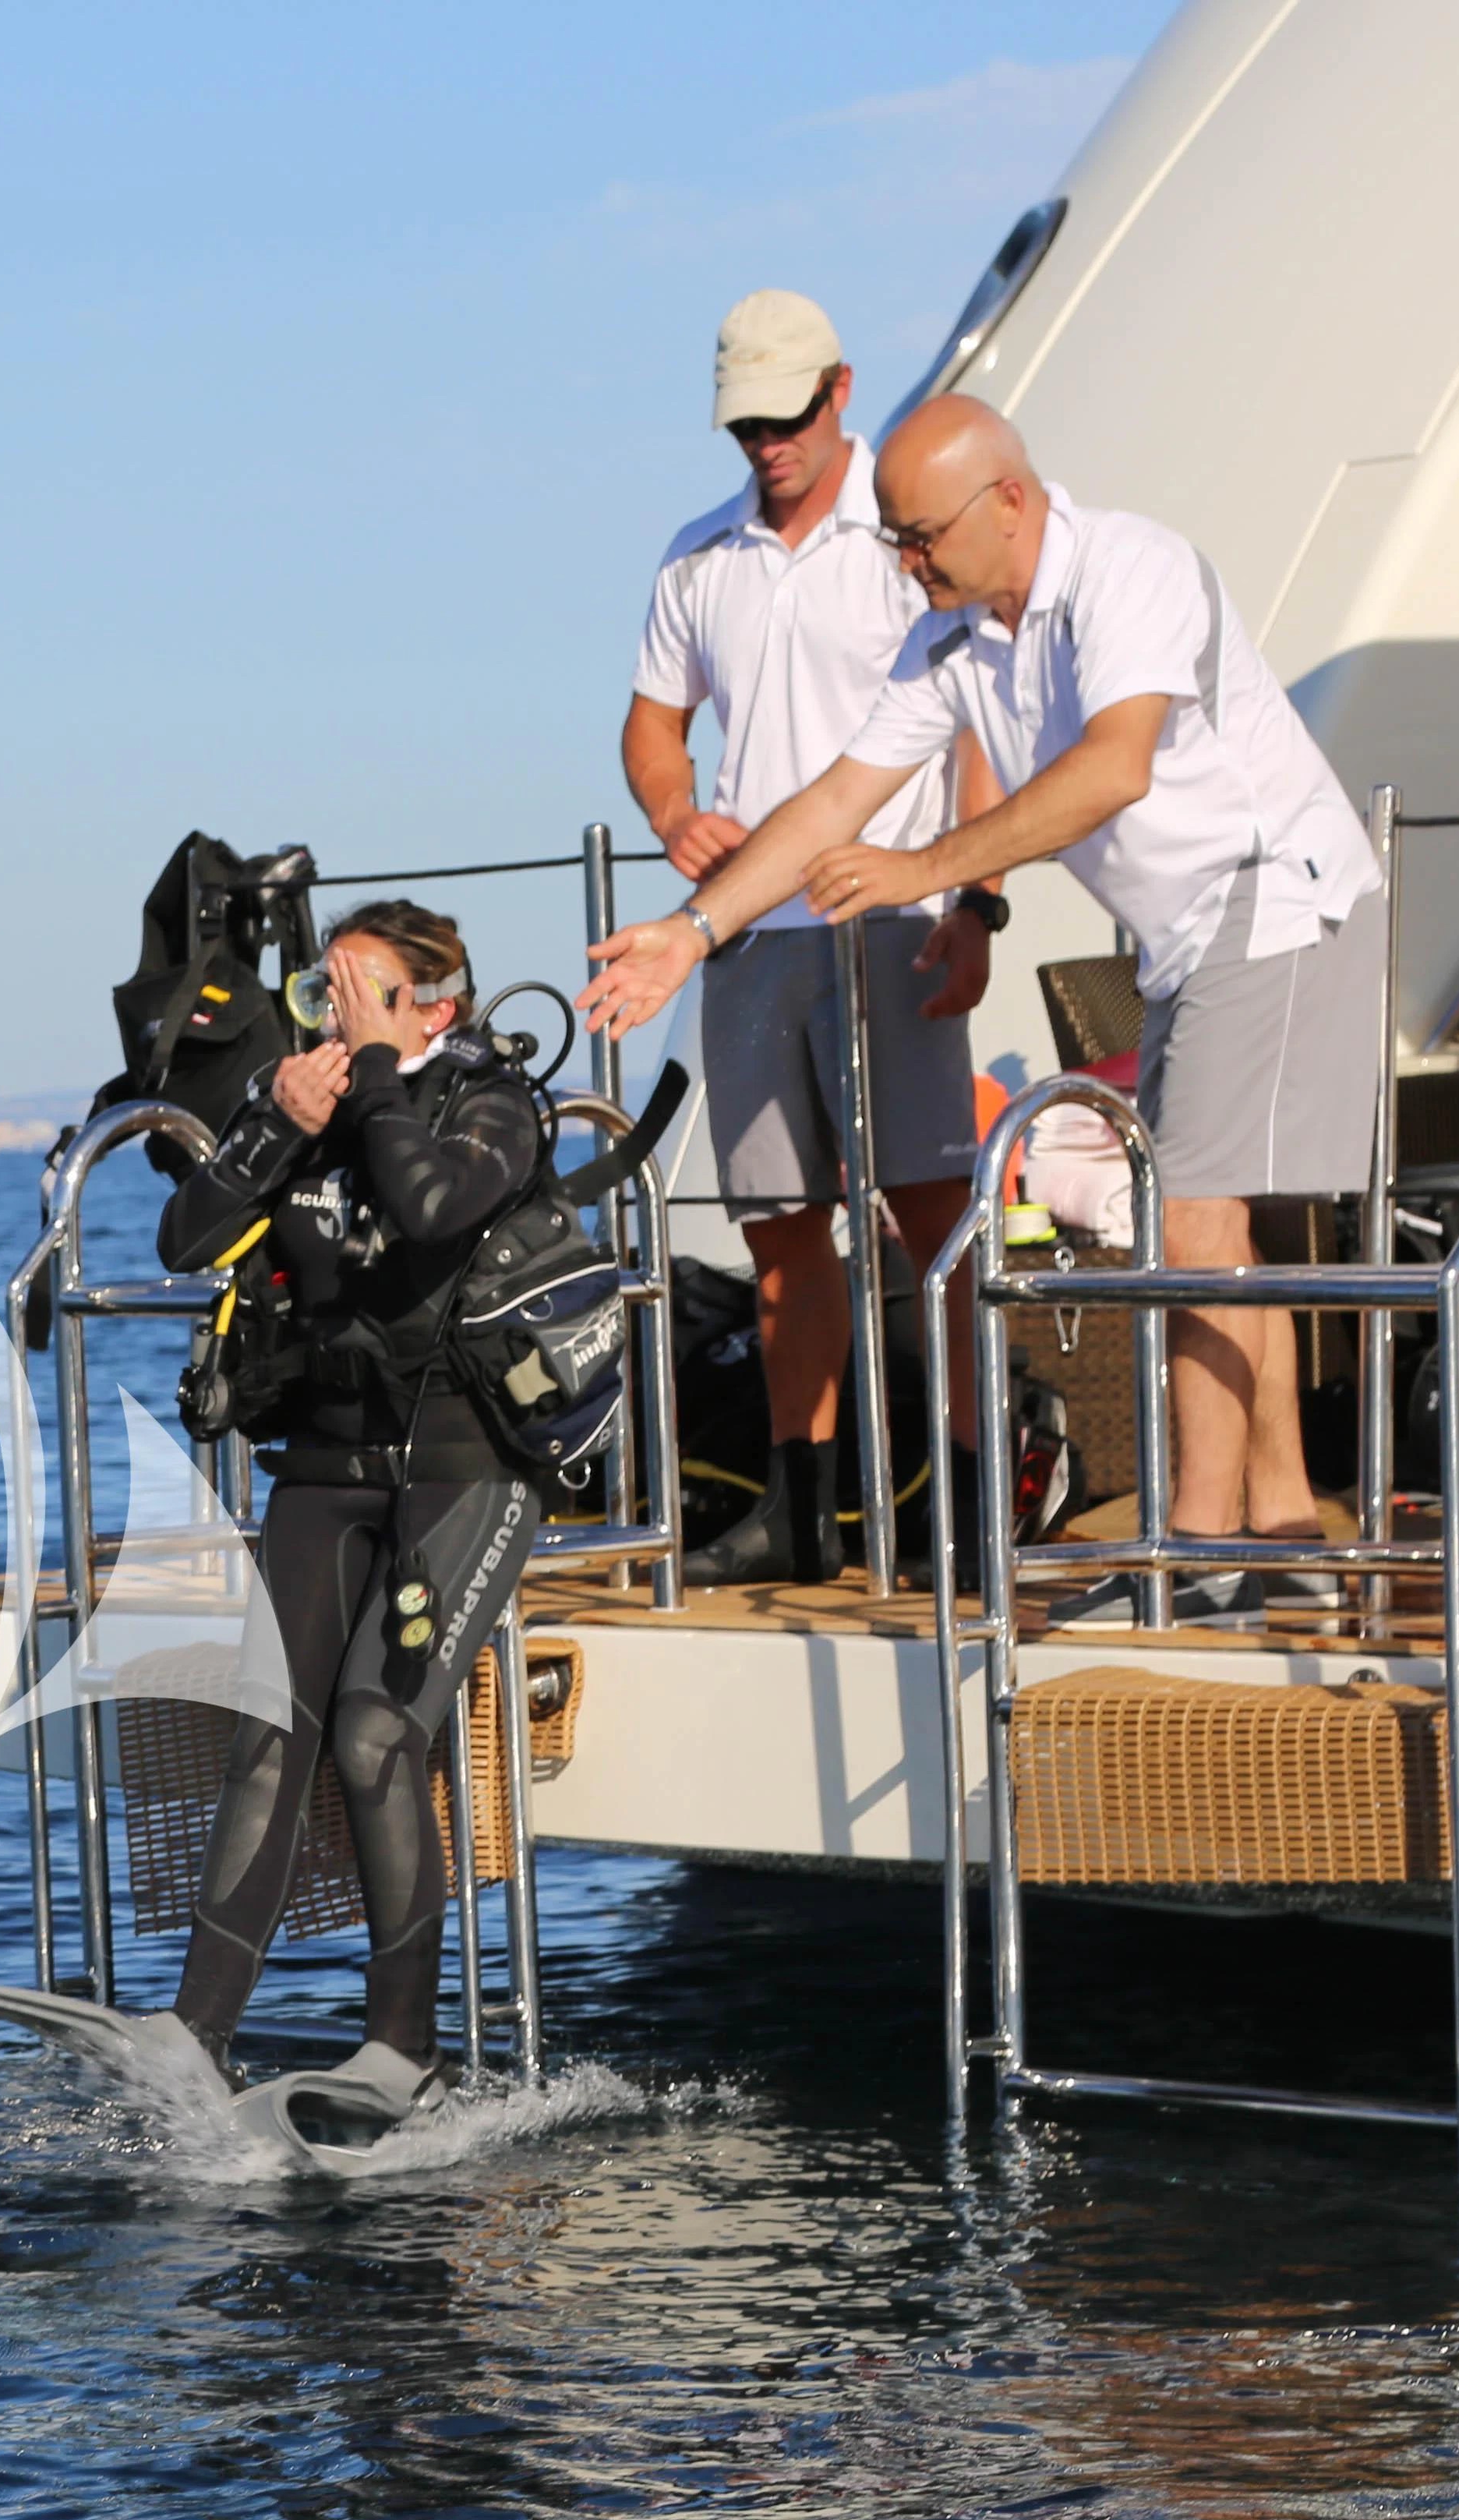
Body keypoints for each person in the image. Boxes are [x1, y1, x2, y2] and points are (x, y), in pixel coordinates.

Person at [586, 393, 1383, 1624]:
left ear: (1007, 501)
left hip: (1274, 898)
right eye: (896, 539)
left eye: (918, 537)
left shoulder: (1132, 570)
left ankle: (1192, 1555)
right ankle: (1281, 1527)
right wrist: (691, 936)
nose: (904, 562)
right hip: (1189, 939)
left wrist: (929, 870)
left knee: (1197, 1234)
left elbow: (1112, 767)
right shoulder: (951, 636)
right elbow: (833, 800)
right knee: (1215, 1232)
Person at [624, 289, 1002, 1584]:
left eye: (786, 417)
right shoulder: (695, 558)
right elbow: (651, 726)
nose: (767, 445)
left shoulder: (900, 545)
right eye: (745, 426)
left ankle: (966, 1504)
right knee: (779, 1226)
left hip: (891, 912)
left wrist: (974, 906)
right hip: (751, 937)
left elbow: (974, 730)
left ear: (840, 390)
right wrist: (677, 812)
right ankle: (800, 1511)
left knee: (932, 1217)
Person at [152, 901, 540, 2113]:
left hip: (465, 1471)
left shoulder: (489, 1102)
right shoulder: (317, 1104)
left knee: (378, 1736)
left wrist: (372, 1079)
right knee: (272, 1732)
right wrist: (273, 1125)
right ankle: (196, 2033)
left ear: (437, 1003)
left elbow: (430, 1208)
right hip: (324, 1467)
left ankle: (404, 2053)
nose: (337, 1016)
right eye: (327, 992)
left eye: (364, 993)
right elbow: (186, 1237)